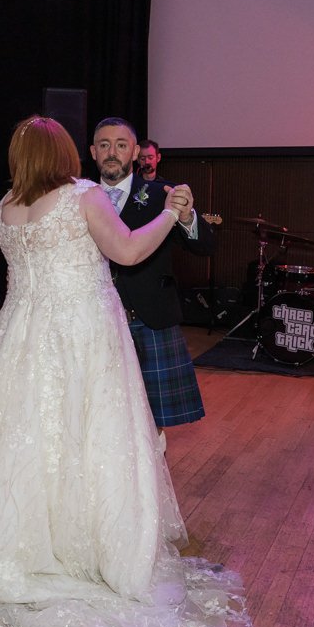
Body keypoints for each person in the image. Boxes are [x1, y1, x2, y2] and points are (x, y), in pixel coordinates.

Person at [0, 115, 250, 627]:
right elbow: (126, 254)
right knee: (87, 435)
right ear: (65, 155)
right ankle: (89, 546)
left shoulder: (5, 209)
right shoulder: (83, 197)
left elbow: (18, 283)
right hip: (82, 336)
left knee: (18, 439)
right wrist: (172, 215)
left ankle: (14, 540)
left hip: (22, 341)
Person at [92, 117, 215, 430]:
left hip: (149, 318)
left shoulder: (162, 194)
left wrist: (187, 217)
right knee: (100, 418)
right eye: (104, 145)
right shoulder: (79, 198)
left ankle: (152, 479)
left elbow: (204, 247)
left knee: (151, 425)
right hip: (94, 323)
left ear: (135, 153)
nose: (111, 152)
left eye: (121, 145)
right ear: (93, 152)